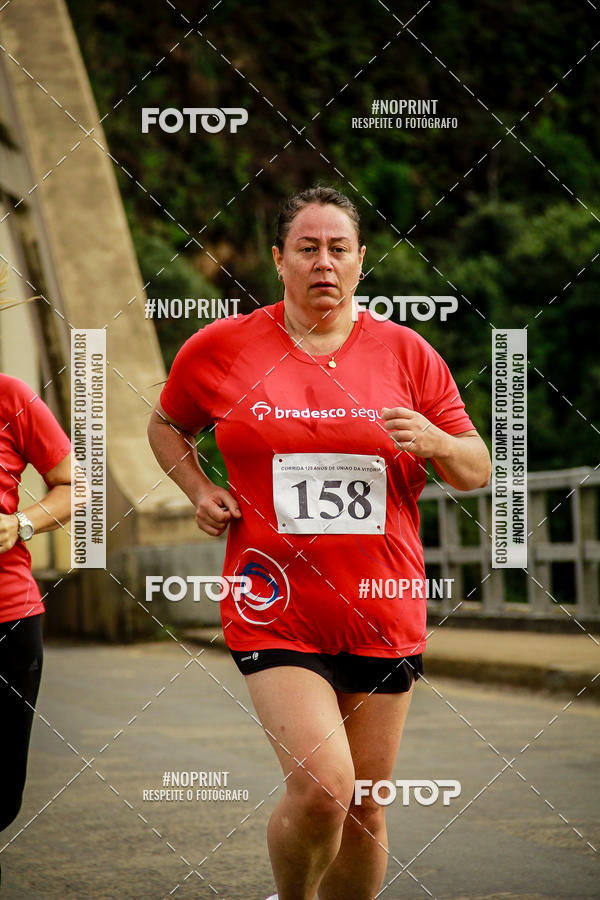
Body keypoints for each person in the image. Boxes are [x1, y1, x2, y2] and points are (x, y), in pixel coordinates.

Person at [147, 186, 491, 900]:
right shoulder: (221, 347)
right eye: (307, 247)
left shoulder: (408, 352)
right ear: (279, 260)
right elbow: (166, 425)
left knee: (364, 806)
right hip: (273, 601)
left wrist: (432, 440)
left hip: (382, 608)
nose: (323, 262)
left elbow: (476, 465)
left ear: (362, 261)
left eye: (339, 248)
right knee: (324, 790)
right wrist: (197, 489)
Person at [0, 373, 72, 841]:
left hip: (8, 620)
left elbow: (73, 485)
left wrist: (20, 523)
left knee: (0, 797)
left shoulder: (10, 395)